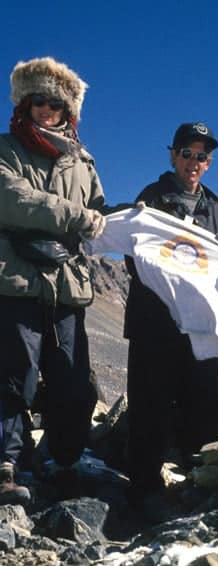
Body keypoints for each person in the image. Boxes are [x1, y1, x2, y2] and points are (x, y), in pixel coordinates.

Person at [0, 57, 107, 504]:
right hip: (15, 280)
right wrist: (75, 217)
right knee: (13, 377)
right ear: (25, 103)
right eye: (38, 100)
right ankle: (5, 466)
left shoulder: (84, 163)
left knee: (74, 383)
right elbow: (10, 198)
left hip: (68, 286)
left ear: (69, 111)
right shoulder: (6, 149)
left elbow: (101, 216)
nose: (47, 109)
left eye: (56, 104)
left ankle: (63, 462)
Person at [124, 122, 218, 511]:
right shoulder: (151, 197)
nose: (194, 162)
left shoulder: (214, 207)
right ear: (173, 155)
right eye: (187, 153)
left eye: (202, 156)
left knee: (202, 401)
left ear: (209, 163)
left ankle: (198, 486)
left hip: (198, 327)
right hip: (154, 323)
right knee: (150, 403)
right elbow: (132, 256)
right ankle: (141, 491)